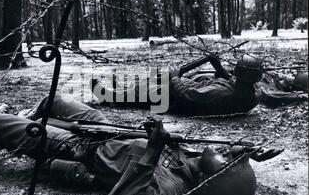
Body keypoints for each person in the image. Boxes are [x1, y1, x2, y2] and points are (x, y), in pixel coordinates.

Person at [0, 94, 283, 195]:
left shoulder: (172, 187)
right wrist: (248, 151)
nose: (230, 151)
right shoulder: (197, 160)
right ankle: (33, 118)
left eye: (229, 158)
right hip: (105, 129)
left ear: (211, 179)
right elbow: (228, 160)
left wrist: (152, 153)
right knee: (54, 101)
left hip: (78, 147)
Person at [91, 54, 264, 116]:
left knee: (155, 89)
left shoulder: (220, 93)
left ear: (239, 73)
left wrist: (175, 78)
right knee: (157, 79)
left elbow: (187, 97)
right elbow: (233, 82)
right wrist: (217, 66)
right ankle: (123, 91)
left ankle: (109, 97)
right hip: (198, 89)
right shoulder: (253, 93)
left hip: (182, 101)